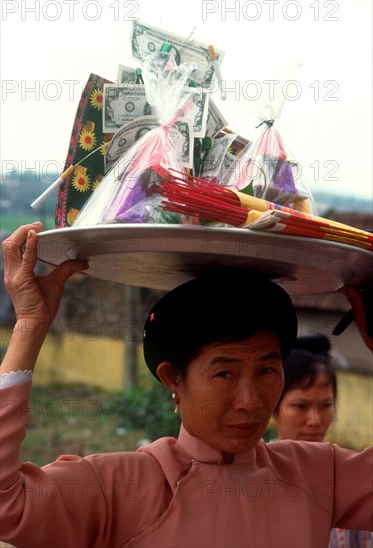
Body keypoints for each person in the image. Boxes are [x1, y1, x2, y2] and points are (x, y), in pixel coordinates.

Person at [1, 223, 372, 548]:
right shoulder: (121, 488)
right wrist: (31, 325)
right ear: (172, 378)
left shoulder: (317, 474)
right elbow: (8, 505)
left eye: (266, 371)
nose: (250, 401)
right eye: (224, 374)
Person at [273, 335, 373, 548]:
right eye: (300, 406)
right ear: (272, 408)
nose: (315, 421)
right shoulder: (253, 476)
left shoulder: (351, 478)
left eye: (326, 406)